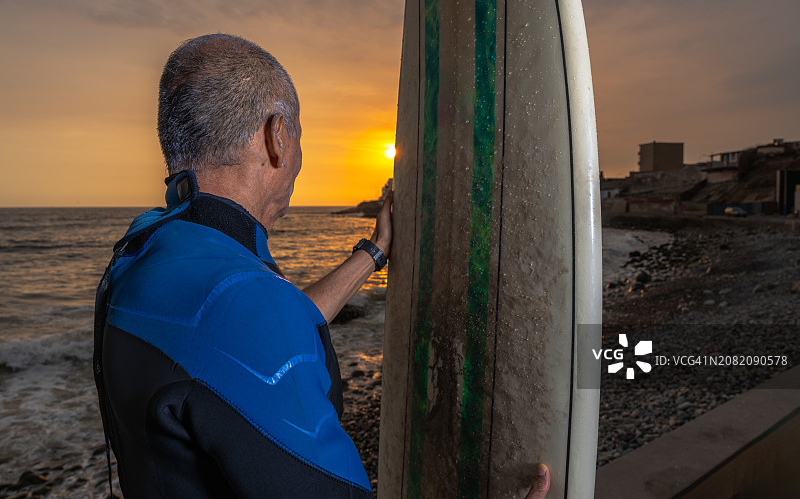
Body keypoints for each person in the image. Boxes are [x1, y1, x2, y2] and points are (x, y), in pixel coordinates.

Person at [93, 33, 551, 498]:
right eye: (298, 136)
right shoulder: (242, 306)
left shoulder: (149, 249)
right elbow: (252, 328)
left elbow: (257, 330)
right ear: (276, 136)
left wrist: (374, 251)